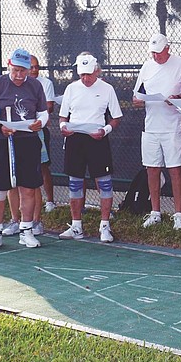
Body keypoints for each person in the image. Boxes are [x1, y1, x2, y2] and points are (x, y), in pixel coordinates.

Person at [0, 48, 48, 250]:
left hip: (28, 141)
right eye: (15, 70)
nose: (19, 75)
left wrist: (40, 123)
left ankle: (26, 231)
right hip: (1, 141)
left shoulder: (35, 85)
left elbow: (43, 113)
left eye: (23, 71)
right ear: (9, 65)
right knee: (0, 188)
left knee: (28, 188)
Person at [132, 33, 181, 230]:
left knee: (175, 170)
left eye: (159, 52)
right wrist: (139, 101)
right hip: (151, 128)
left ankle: (178, 215)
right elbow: (136, 97)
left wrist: (177, 98)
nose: (156, 56)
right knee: (152, 169)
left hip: (174, 127)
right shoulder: (146, 66)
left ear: (168, 48)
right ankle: (155, 213)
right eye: (153, 53)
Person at [58, 53, 122, 243]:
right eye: (82, 74)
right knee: (75, 183)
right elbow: (63, 117)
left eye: (89, 74)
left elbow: (116, 118)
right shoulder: (71, 88)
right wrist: (63, 127)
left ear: (96, 71)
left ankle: (105, 226)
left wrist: (105, 130)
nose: (85, 78)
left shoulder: (107, 89)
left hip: (98, 139)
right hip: (75, 139)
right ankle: (76, 226)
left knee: (105, 183)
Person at [30, 55, 56, 212]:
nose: (34, 70)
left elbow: (49, 107)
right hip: (22, 132)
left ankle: (50, 201)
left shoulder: (46, 83)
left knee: (43, 167)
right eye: (31, 67)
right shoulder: (18, 84)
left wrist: (35, 115)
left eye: (37, 67)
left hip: (40, 130)